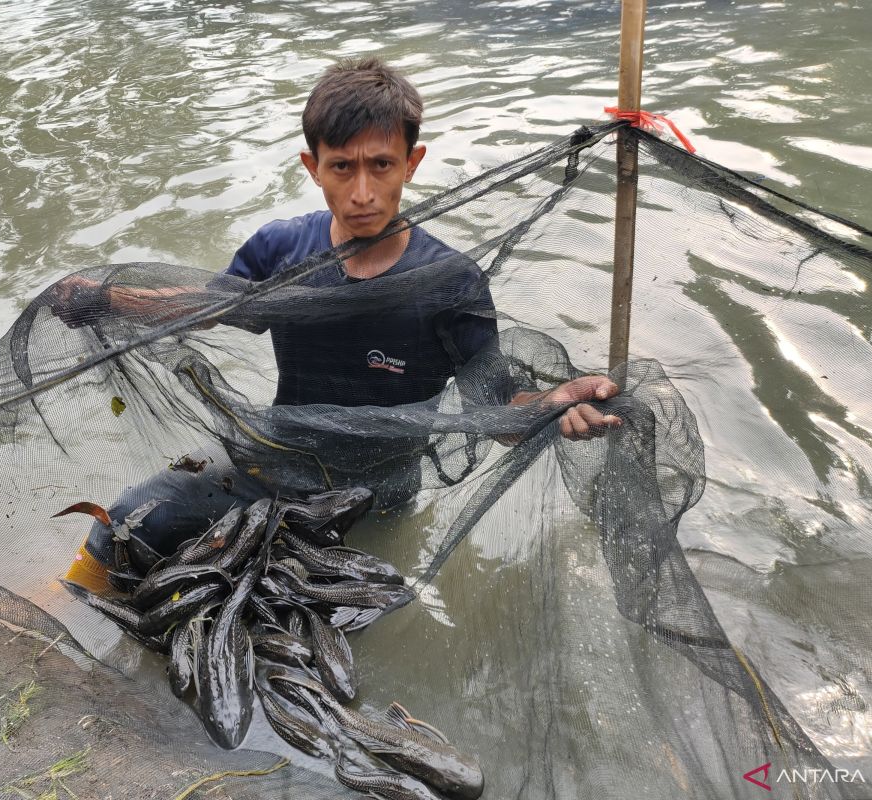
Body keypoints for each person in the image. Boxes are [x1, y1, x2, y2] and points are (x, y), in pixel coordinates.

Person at [57, 59, 620, 593]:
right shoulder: (281, 249)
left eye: (382, 165)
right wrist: (106, 299)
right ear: (313, 167)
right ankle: (63, 605)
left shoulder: (452, 282)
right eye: (343, 167)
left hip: (378, 493)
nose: (363, 193)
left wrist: (551, 406)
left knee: (326, 613)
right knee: (130, 521)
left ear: (412, 162)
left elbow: (497, 411)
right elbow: (204, 308)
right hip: (275, 457)